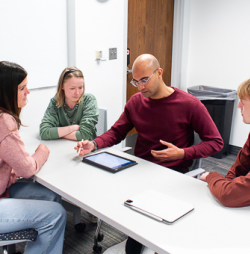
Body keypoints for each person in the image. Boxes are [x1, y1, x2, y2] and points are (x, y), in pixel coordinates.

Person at [75, 54, 224, 254]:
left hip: (171, 175)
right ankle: (137, 236)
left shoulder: (189, 104)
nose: (140, 86)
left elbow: (216, 142)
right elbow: (117, 132)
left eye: (144, 79)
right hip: (139, 171)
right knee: (104, 192)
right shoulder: (136, 102)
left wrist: (182, 153)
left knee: (144, 236)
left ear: (159, 73)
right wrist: (94, 144)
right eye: (135, 81)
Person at [0, 61, 66, 253]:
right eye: (22, 88)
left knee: (52, 196)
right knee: (56, 215)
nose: (28, 92)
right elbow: (28, 169)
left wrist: (8, 169)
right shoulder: (4, 120)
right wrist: (42, 153)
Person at [200, 76, 250, 207]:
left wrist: (212, 176)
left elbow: (228, 196)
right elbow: (237, 170)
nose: (238, 105)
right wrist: (225, 186)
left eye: (243, 102)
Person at [40, 66, 99, 141]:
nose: (77, 93)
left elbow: (85, 134)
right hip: (63, 147)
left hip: (87, 149)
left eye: (80, 87)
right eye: (72, 88)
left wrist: (57, 134)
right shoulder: (55, 102)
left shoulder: (89, 100)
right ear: (62, 86)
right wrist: (73, 128)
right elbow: (44, 132)